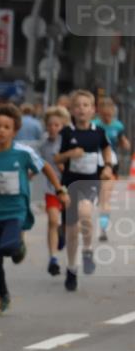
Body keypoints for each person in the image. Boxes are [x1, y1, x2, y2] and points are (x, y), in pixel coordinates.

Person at [0, 104, 68, 316]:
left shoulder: (23, 153)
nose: (1, 130)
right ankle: (3, 296)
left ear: (14, 131)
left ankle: (18, 247)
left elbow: (46, 167)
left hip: (17, 211)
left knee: (9, 247)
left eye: (7, 127)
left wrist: (59, 190)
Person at [55, 89, 114, 291]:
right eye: (77, 105)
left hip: (90, 182)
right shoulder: (66, 132)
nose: (81, 109)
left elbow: (106, 149)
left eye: (85, 105)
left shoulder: (98, 132)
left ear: (93, 110)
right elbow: (56, 158)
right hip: (69, 184)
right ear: (71, 110)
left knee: (86, 214)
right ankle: (71, 269)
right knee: (71, 231)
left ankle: (87, 250)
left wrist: (107, 166)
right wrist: (70, 153)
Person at [93, 96, 129, 241]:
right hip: (93, 162)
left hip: (111, 162)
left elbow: (122, 140)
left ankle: (103, 228)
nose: (107, 117)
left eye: (110, 114)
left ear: (113, 112)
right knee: (94, 196)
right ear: (99, 112)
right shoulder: (94, 124)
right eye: (104, 114)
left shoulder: (118, 126)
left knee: (105, 198)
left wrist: (125, 143)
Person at [39, 106, 69, 276]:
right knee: (52, 220)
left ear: (62, 126)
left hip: (68, 188)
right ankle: (53, 259)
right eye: (50, 125)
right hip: (51, 189)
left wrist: (64, 166)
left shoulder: (67, 142)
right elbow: (39, 163)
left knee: (65, 225)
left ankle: (61, 234)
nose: (52, 128)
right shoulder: (43, 145)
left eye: (56, 125)